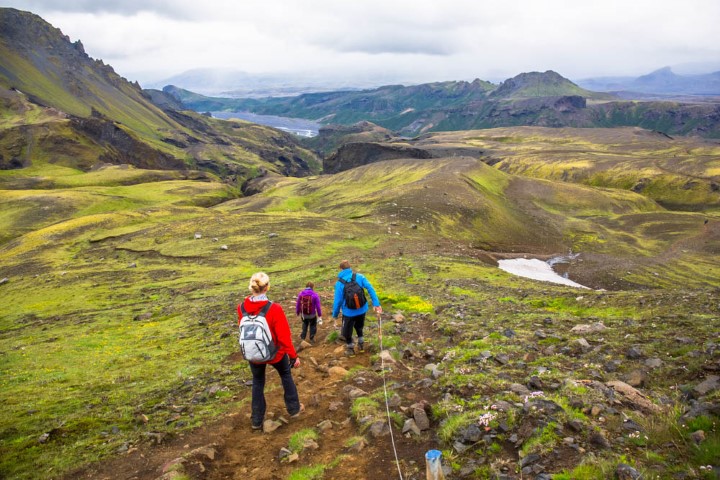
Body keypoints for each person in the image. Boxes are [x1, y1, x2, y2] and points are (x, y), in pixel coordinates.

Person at [238, 272, 303, 430]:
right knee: (285, 375)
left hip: (253, 355)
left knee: (258, 383)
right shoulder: (274, 309)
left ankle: (256, 420)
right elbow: (284, 337)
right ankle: (294, 409)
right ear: (267, 287)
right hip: (276, 354)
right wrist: (293, 356)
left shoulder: (241, 308)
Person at [332, 260, 382, 356]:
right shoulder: (359, 277)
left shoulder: (339, 283)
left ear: (341, 269)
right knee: (359, 326)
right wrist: (376, 304)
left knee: (347, 331)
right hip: (362, 309)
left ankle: (350, 349)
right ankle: (361, 344)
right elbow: (370, 289)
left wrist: (335, 314)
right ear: (350, 267)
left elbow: (338, 301)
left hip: (348, 312)